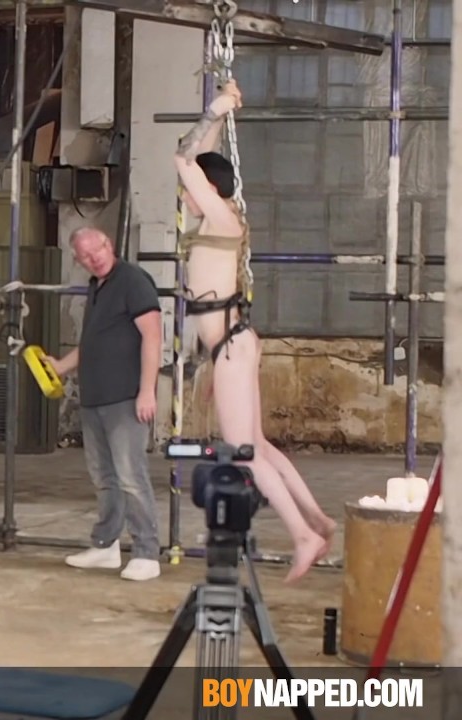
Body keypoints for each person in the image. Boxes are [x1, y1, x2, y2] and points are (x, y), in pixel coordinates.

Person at [172, 80, 336, 582]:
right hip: (233, 343)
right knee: (258, 445)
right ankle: (316, 518)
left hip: (231, 346)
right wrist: (219, 117)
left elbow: (184, 158)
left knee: (243, 452)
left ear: (208, 189)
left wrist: (216, 107)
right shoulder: (222, 217)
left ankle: (304, 536)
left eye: (192, 191)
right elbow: (198, 159)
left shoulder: (221, 218)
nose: (185, 196)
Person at [46, 227, 164, 582]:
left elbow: (153, 336)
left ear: (108, 245)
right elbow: (93, 342)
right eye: (85, 255)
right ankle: (105, 545)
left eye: (96, 249)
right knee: (105, 477)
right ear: (78, 260)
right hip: (95, 397)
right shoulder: (97, 288)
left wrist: (147, 391)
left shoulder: (132, 280)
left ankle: (146, 552)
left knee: (131, 476)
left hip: (125, 397)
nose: (93, 258)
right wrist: (61, 367)